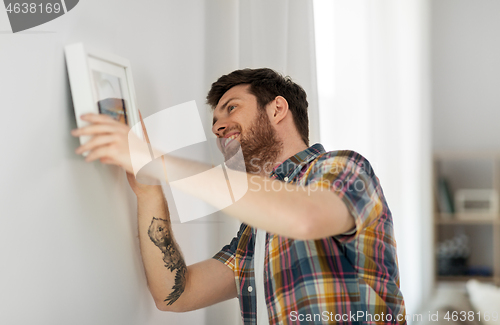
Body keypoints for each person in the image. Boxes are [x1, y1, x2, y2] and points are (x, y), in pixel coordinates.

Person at [71, 68, 406, 324]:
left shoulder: (342, 167)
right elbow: (175, 295)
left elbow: (305, 217)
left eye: (231, 108)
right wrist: (148, 191)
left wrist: (156, 161)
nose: (218, 127)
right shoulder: (254, 234)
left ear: (277, 109)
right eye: (215, 120)